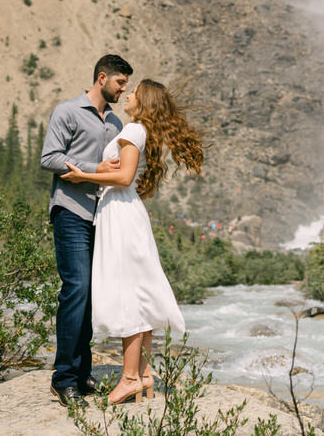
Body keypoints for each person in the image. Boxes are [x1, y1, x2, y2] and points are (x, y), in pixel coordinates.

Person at [60, 79, 203, 405]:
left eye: (135, 92)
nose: (129, 94)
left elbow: (124, 178)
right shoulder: (141, 132)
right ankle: (144, 373)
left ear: (145, 102)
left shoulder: (134, 130)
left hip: (121, 217)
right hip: (126, 213)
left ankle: (128, 379)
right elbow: (135, 182)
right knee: (137, 291)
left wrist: (84, 176)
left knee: (128, 293)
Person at [40, 54, 133, 406]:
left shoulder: (116, 122)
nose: (124, 90)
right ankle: (63, 377)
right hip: (70, 211)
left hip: (102, 218)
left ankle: (81, 372)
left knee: (91, 294)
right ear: (102, 77)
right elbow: (49, 158)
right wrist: (92, 166)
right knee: (76, 288)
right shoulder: (67, 111)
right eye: (120, 83)